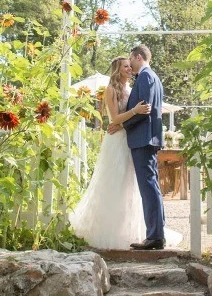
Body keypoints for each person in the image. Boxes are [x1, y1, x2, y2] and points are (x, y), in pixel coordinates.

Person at [67, 56, 151, 248]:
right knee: (113, 183)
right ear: (117, 70)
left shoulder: (130, 89)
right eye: (126, 67)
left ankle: (128, 230)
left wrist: (125, 123)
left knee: (129, 185)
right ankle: (107, 230)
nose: (130, 69)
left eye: (130, 66)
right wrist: (135, 111)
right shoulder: (110, 90)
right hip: (116, 142)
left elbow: (120, 123)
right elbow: (114, 118)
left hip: (127, 136)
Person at [122, 44, 167, 250]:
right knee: (152, 186)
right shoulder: (153, 78)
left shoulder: (146, 77)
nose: (129, 64)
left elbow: (144, 110)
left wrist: (123, 123)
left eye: (131, 59)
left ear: (138, 57)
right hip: (148, 137)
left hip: (143, 138)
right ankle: (157, 233)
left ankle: (155, 236)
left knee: (148, 187)